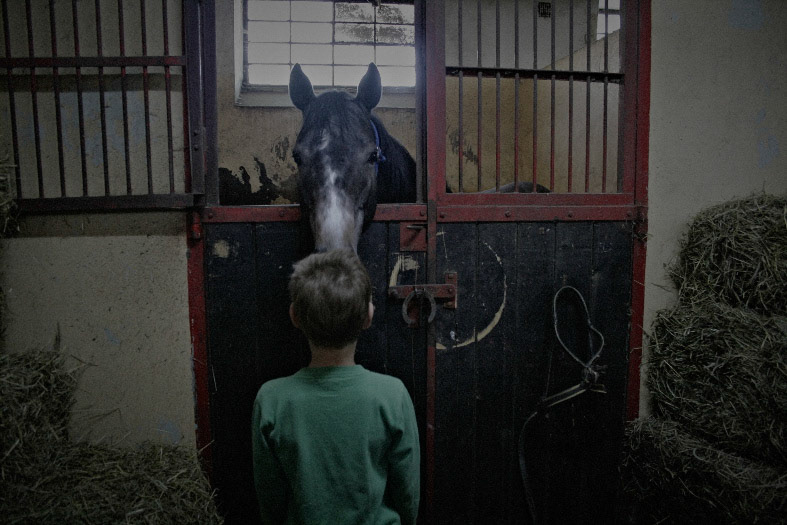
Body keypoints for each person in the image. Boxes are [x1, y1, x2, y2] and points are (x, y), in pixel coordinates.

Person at [251, 249, 421, 524]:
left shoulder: (271, 400)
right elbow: (408, 494)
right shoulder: (393, 395)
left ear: (294, 315)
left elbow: (270, 497)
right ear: (368, 316)